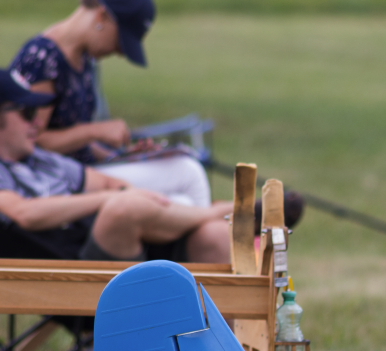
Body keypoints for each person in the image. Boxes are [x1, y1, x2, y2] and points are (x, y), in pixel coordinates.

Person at [0, 70, 231, 264]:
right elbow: (24, 214)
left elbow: (109, 182)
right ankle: (217, 212)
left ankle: (210, 219)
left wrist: (129, 195)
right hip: (69, 270)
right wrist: (109, 198)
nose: (38, 123)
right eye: (27, 113)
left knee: (214, 234)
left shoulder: (41, 159)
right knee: (122, 208)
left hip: (110, 244)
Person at [10, 0, 213, 208]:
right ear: (101, 16)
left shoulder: (83, 58)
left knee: (182, 200)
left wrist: (123, 157)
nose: (121, 52)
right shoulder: (43, 58)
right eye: (121, 40)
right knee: (187, 172)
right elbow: (32, 142)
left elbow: (77, 144)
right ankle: (213, 225)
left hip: (85, 171)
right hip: (58, 179)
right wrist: (94, 131)